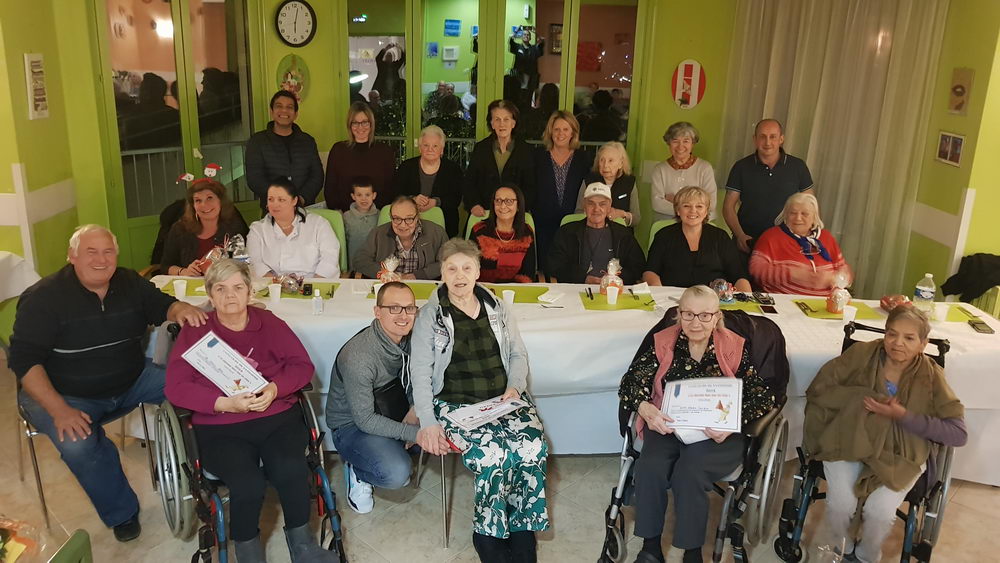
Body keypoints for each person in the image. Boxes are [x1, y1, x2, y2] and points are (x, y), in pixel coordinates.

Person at [9, 225, 206, 542]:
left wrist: (178, 308)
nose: (101, 260)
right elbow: (24, 361)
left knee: (200, 390)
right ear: (72, 256)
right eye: (91, 251)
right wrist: (59, 410)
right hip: (64, 392)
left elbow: (159, 302)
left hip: (132, 379)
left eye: (108, 251)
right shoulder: (44, 298)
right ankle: (122, 512)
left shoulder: (128, 281)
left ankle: (210, 473)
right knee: (79, 442)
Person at [165, 260, 335, 562]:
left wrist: (274, 389)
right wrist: (224, 403)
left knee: (291, 469)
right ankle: (248, 552)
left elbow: (302, 367)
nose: (230, 296)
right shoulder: (195, 331)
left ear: (249, 292)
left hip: (275, 416)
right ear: (210, 295)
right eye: (220, 289)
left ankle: (303, 546)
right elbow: (176, 387)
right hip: (220, 425)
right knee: (247, 483)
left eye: (237, 288)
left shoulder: (269, 324)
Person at [410, 239, 549, 562]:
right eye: (451, 268)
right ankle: (487, 531)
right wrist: (428, 421)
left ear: (477, 271)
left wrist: (515, 387)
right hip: (455, 403)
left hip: (504, 398)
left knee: (532, 446)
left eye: (467, 268)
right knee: (493, 456)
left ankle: (522, 525)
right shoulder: (431, 315)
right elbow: (420, 371)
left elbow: (517, 353)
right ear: (441, 272)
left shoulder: (497, 307)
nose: (459, 276)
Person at [619, 285, 775, 563]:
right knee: (649, 468)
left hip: (716, 431)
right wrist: (646, 409)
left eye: (705, 316)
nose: (696, 322)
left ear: (717, 317)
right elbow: (631, 382)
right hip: (668, 425)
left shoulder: (733, 346)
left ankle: (692, 551)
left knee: (688, 472)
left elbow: (763, 396)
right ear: (678, 315)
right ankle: (651, 546)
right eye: (688, 314)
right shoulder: (663, 342)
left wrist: (732, 423)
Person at [804, 306, 966, 563]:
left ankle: (867, 556)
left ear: (923, 344)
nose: (897, 343)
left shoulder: (931, 376)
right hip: (848, 437)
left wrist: (903, 416)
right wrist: (858, 398)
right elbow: (819, 391)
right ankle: (840, 549)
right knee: (842, 504)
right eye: (892, 334)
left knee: (879, 511)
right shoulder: (860, 355)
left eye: (909, 338)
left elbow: (958, 434)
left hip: (903, 453)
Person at [325, 282, 419, 514]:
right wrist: (414, 433)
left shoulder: (409, 337)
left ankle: (390, 450)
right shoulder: (359, 357)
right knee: (396, 473)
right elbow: (365, 420)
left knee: (440, 422)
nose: (404, 316)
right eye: (394, 308)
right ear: (377, 312)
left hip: (392, 406)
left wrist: (416, 409)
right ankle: (357, 470)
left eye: (409, 308)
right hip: (353, 425)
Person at [724, 119, 814, 253]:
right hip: (749, 243)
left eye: (773, 137)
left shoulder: (798, 166)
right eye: (762, 137)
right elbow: (728, 207)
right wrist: (740, 235)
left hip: (787, 244)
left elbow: (810, 205)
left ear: (781, 139)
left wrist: (806, 237)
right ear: (755, 139)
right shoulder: (741, 167)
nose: (767, 142)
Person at [644, 186, 750, 291]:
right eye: (686, 206)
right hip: (672, 299)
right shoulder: (664, 235)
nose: (693, 211)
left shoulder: (720, 237)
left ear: (706, 212)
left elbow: (738, 275)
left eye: (699, 206)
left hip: (713, 300)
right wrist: (659, 293)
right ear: (678, 210)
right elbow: (650, 271)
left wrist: (747, 303)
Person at [749, 192, 850, 296]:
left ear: (814, 217)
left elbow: (844, 270)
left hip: (825, 303)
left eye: (804, 214)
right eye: (793, 213)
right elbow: (756, 270)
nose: (798, 218)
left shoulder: (827, 238)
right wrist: (792, 273)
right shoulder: (771, 236)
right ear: (785, 215)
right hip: (784, 302)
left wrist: (836, 279)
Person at [547, 182, 645, 284]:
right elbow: (554, 265)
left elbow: (638, 267)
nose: (596, 209)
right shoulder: (567, 232)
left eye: (602, 204)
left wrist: (615, 279)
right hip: (577, 289)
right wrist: (583, 278)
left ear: (609, 206)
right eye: (591, 203)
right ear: (584, 205)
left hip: (614, 290)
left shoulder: (623, 234)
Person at [532, 111, 594, 273]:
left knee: (570, 270)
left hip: (573, 225)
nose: (561, 134)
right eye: (556, 129)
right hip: (542, 225)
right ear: (550, 131)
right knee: (544, 270)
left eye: (565, 129)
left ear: (573, 132)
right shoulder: (538, 156)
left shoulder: (584, 158)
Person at [246, 178, 341, 279]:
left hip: (313, 286)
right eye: (270, 199)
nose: (275, 204)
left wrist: (311, 286)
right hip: (272, 286)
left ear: (294, 201)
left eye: (281, 200)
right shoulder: (257, 229)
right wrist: (277, 285)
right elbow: (254, 262)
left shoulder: (319, 224)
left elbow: (330, 259)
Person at [245, 90, 324, 208]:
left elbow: (317, 175)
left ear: (296, 113)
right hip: (272, 208)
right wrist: (279, 200)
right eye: (279, 106)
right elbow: (255, 178)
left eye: (289, 107)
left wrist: (301, 198)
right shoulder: (257, 141)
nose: (284, 111)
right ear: (271, 111)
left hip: (304, 207)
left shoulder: (307, 141)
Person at [161, 179, 249, 276]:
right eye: (198, 200)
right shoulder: (180, 229)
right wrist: (184, 271)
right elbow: (165, 267)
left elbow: (245, 264)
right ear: (193, 206)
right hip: (191, 286)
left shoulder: (235, 227)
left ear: (221, 201)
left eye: (209, 198)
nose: (204, 205)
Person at [464, 100, 536, 217]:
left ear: (514, 123)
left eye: (506, 119)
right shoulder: (481, 148)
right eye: (497, 119)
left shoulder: (526, 151)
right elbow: (469, 182)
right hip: (483, 213)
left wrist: (518, 208)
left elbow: (530, 187)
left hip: (515, 215)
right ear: (491, 123)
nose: (502, 124)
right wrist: (474, 205)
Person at [353, 196, 448, 280]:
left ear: (417, 217)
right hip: (388, 286)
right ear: (391, 217)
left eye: (409, 219)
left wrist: (419, 275)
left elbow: (448, 261)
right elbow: (360, 260)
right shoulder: (378, 233)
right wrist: (383, 273)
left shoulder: (436, 232)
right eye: (397, 219)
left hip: (424, 286)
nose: (403, 225)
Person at [325, 102, 397, 211]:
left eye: (364, 122)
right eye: (355, 123)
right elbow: (330, 187)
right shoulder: (338, 150)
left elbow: (391, 188)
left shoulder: (384, 151)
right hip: (345, 214)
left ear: (371, 124)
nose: (360, 127)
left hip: (378, 214)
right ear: (349, 125)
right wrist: (337, 211)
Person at [394, 125, 464, 237]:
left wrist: (436, 202)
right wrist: (413, 199)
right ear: (420, 147)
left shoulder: (453, 169)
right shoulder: (406, 167)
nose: (430, 149)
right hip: (407, 227)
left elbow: (455, 198)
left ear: (442, 149)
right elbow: (396, 193)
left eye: (435, 146)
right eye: (426, 145)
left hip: (445, 228)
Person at [650, 122, 718, 222]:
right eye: (675, 141)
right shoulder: (659, 169)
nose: (680, 146)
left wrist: (676, 202)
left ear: (692, 144)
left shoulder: (705, 168)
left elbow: (711, 204)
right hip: (667, 224)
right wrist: (695, 205)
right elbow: (657, 204)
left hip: (700, 225)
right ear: (669, 143)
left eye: (686, 141)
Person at [471, 185, 537, 283]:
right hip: (483, 289)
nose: (502, 206)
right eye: (498, 201)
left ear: (518, 205)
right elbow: (469, 267)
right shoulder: (479, 230)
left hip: (515, 291)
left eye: (509, 201)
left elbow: (528, 272)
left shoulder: (526, 232)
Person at [576, 141, 640, 228]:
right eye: (602, 160)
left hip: (620, 234)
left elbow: (636, 219)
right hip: (592, 232)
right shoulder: (589, 180)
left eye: (610, 161)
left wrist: (622, 214)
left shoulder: (629, 182)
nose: (605, 165)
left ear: (621, 163)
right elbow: (578, 212)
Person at [343, 177, 380, 272]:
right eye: (359, 195)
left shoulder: (380, 216)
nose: (364, 198)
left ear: (374, 195)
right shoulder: (346, 217)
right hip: (352, 266)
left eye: (367, 195)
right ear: (353, 196)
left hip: (374, 266)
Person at [509, 29, 545, 101]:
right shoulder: (517, 47)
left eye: (528, 35)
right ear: (521, 37)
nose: (526, 36)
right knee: (517, 98)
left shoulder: (534, 49)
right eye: (524, 34)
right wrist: (516, 31)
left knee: (528, 99)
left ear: (530, 38)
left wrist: (536, 32)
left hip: (531, 80)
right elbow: (511, 40)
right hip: (519, 79)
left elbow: (542, 41)